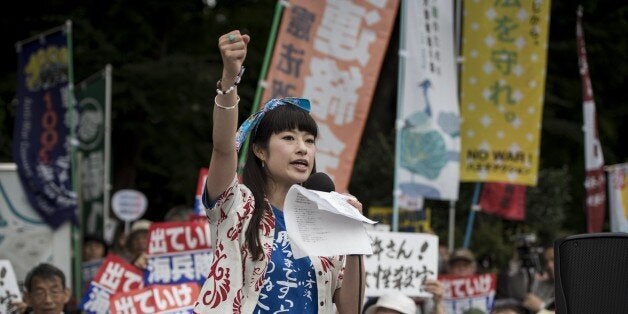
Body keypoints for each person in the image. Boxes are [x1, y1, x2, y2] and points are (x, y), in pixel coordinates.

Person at [193, 30, 365, 313]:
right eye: (288, 138)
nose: (303, 149)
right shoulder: (237, 205)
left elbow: (351, 310)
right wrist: (229, 80)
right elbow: (224, 148)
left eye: (309, 141)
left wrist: (354, 239)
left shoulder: (326, 223)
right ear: (260, 151)